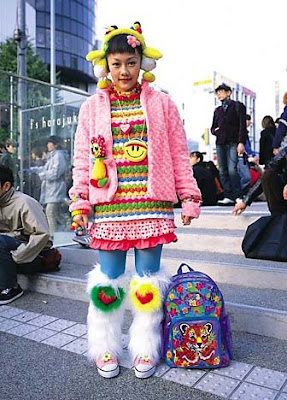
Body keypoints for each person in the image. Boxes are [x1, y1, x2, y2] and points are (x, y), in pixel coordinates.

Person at [69, 22, 201, 379]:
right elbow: (83, 159)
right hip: (109, 207)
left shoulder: (163, 105)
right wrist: (80, 202)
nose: (124, 71)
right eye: (116, 64)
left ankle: (145, 348)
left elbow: (177, 154)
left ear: (142, 62)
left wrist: (189, 196)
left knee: (148, 281)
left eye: (131, 62)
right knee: (107, 282)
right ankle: (105, 347)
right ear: (105, 66)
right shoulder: (91, 108)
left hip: (151, 204)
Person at [0, 166, 61, 305]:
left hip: (32, 256)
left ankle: (11, 288)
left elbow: (42, 236)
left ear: (6, 186)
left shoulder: (24, 202)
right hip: (9, 253)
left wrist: (16, 256)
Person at [211, 83, 247, 206]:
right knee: (222, 171)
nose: (219, 94)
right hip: (220, 142)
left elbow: (242, 126)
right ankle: (228, 195)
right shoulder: (218, 110)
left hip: (233, 142)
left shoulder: (238, 106)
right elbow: (212, 127)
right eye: (218, 92)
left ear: (228, 93)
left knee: (232, 170)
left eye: (221, 91)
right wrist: (216, 131)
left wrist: (241, 142)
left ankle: (238, 195)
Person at [233, 146, 287, 216]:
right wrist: (245, 201)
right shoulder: (283, 154)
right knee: (268, 174)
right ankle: (277, 216)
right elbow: (264, 178)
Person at [31, 136, 68, 236]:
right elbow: (46, 169)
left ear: (55, 144)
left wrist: (41, 175)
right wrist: (35, 170)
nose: (48, 145)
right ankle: (68, 226)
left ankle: (53, 236)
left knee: (50, 212)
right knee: (56, 213)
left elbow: (55, 173)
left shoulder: (58, 156)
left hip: (56, 188)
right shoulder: (52, 156)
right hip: (51, 189)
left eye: (49, 143)